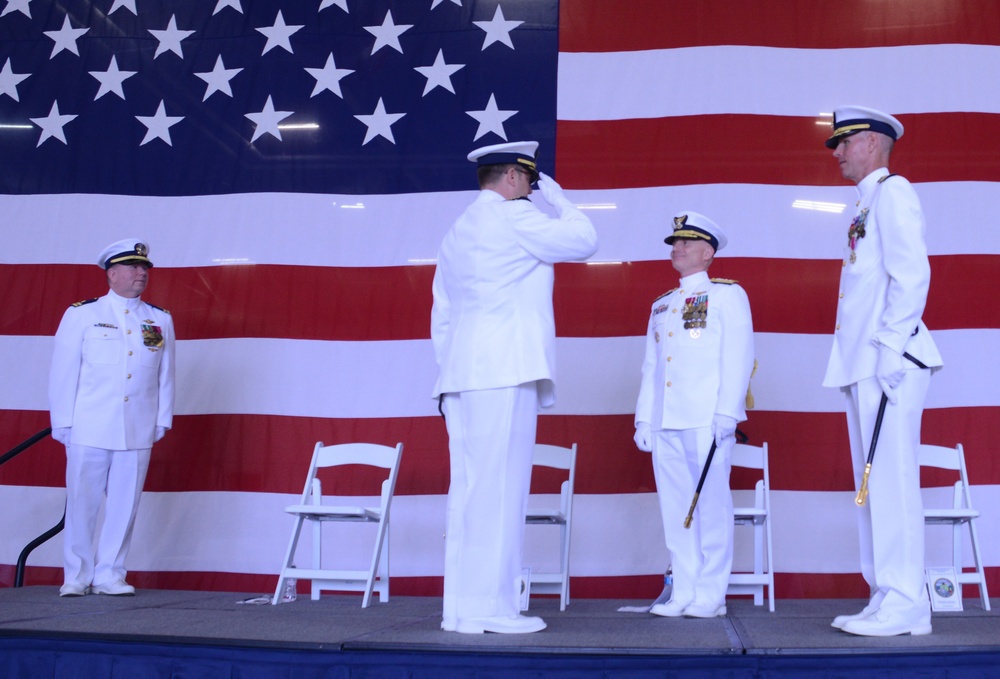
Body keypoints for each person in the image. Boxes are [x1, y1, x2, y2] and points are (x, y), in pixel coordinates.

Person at [431, 141, 598, 634]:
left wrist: (452, 369)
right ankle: (491, 609)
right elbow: (584, 240)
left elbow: (441, 313)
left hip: (462, 376)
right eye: (529, 181)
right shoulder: (513, 218)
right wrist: (562, 202)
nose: (531, 190)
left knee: (468, 492)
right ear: (511, 179)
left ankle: (460, 609)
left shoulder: (458, 230)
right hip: (503, 372)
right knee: (500, 492)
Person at [822, 106, 942, 636]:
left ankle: (907, 600)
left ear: (871, 142)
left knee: (891, 481)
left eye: (845, 143)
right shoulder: (864, 203)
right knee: (871, 484)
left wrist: (892, 346)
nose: (839, 153)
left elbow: (911, 273)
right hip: (865, 363)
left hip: (888, 361)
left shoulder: (893, 192)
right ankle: (885, 592)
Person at [634, 211, 754, 619]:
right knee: (675, 508)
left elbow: (739, 357)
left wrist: (728, 412)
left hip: (706, 418)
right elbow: (652, 366)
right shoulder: (662, 305)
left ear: (708, 253)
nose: (677, 248)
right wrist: (643, 419)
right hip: (666, 419)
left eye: (686, 243)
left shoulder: (726, 295)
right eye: (674, 242)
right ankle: (683, 589)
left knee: (711, 506)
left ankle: (711, 593)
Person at [49, 239, 175, 597]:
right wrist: (64, 422)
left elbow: (166, 374)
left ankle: (110, 574)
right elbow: (63, 372)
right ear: (112, 273)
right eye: (134, 268)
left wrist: (161, 419)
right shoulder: (83, 314)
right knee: (81, 502)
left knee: (124, 506)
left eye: (145, 268)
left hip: (137, 425)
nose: (141, 274)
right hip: (89, 424)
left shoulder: (159, 318)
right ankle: (76, 574)